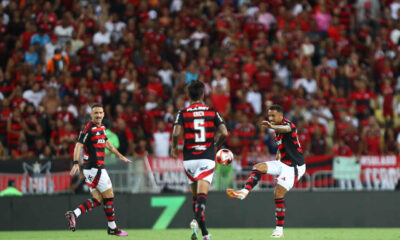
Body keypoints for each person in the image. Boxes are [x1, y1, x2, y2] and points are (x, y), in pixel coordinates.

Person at [226, 104, 306, 238]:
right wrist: (278, 162)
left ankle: (279, 231)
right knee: (258, 167)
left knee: (278, 194)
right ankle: (244, 192)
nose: (271, 118)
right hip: (283, 163)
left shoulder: (289, 126)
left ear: (281, 116)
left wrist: (272, 126)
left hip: (295, 166)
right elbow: (282, 147)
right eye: (269, 115)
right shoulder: (277, 129)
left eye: (273, 115)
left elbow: (285, 129)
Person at [171, 81, 228, 240]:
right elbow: (224, 132)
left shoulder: (183, 113)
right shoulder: (211, 111)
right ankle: (195, 220)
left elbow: (176, 134)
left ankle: (204, 234)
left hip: (189, 159)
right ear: (203, 95)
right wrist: (216, 145)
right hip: (206, 157)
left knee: (196, 198)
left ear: (188, 96)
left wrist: (174, 147)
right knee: (202, 197)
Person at [65, 104, 131, 236]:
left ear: (104, 114)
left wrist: (120, 156)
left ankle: (75, 213)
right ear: (91, 114)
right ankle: (112, 227)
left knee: (98, 199)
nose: (98, 115)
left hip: (93, 169)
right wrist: (76, 162)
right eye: (96, 113)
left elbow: (107, 143)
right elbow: (78, 145)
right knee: (109, 195)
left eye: (100, 113)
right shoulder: (88, 129)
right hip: (95, 168)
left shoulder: (102, 128)